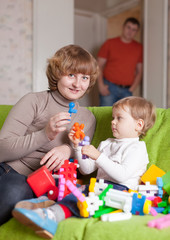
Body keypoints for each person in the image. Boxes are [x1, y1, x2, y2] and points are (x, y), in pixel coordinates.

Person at [12, 96, 156, 239]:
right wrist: (77, 147)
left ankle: (52, 216)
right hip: (99, 186)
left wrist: (99, 156)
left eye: (119, 118)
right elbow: (86, 169)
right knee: (71, 187)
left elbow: (122, 175)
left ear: (139, 125)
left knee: (82, 196)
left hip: (122, 191)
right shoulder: (107, 143)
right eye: (113, 117)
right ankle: (43, 204)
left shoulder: (137, 148)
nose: (113, 122)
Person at [0, 44, 99, 225]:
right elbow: (2, 149)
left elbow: (83, 157)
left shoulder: (88, 117)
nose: (78, 84)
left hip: (48, 184)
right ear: (57, 74)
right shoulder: (34, 101)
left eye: (84, 77)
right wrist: (45, 134)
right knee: (13, 191)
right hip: (11, 171)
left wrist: (68, 150)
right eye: (71, 75)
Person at [97, 17, 143, 106]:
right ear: (123, 27)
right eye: (128, 27)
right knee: (105, 116)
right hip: (109, 87)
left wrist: (132, 88)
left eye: (134, 30)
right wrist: (101, 85)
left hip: (127, 91)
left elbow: (139, 71)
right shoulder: (109, 43)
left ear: (136, 32)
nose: (130, 31)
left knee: (124, 118)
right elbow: (98, 65)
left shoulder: (139, 48)